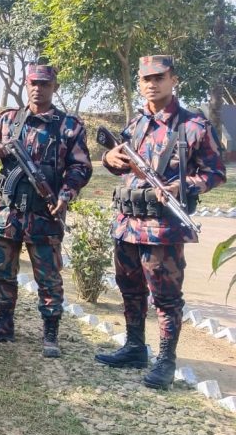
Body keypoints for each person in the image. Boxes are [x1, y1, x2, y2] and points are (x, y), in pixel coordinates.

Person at [95, 55, 227, 390]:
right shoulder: (137, 123)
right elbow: (117, 161)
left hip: (163, 228)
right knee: (130, 289)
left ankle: (166, 361)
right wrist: (108, 158)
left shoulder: (194, 127)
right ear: (139, 84)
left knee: (166, 298)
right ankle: (135, 347)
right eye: (145, 79)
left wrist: (180, 186)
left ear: (173, 79)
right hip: (127, 223)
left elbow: (216, 173)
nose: (152, 84)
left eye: (159, 77)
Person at [0, 64, 93, 357]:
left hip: (45, 214)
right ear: (27, 85)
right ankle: (3, 324)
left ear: (55, 87)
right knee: (2, 272)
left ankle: (50, 333)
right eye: (33, 83)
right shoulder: (8, 120)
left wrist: (65, 194)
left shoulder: (68, 127)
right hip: (8, 214)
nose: (38, 88)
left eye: (45, 84)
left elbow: (81, 166)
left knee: (49, 278)